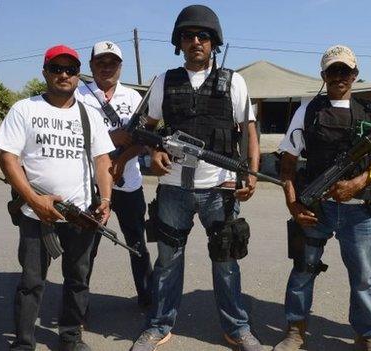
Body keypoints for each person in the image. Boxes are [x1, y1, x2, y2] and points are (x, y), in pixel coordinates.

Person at [129, 4, 263, 351]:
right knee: (167, 263)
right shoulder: (164, 80)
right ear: (179, 42)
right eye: (188, 36)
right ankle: (158, 326)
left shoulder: (234, 81)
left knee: (226, 261)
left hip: (219, 187)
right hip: (173, 187)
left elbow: (249, 129)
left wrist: (251, 173)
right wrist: (153, 153)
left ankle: (238, 328)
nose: (196, 41)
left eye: (203, 36)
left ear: (214, 42)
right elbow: (146, 129)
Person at [274, 45, 371, 351]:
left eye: (345, 71)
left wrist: (360, 182)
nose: (339, 76)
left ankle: (366, 334)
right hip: (316, 209)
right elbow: (288, 164)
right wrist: (293, 204)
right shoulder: (307, 111)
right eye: (333, 71)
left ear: (355, 75)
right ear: (324, 75)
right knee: (303, 270)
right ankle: (295, 330)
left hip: (359, 210)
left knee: (363, 277)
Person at [0, 45, 115, 351]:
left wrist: (106, 199)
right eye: (56, 69)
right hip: (36, 215)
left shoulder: (89, 116)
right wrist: (34, 201)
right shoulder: (25, 109)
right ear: (45, 72)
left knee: (77, 279)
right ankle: (23, 343)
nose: (64, 75)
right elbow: (8, 160)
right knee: (31, 282)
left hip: (79, 214)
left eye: (70, 70)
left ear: (77, 75)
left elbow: (102, 161)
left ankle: (71, 337)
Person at [76, 41, 153, 308]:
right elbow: (74, 139)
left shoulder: (133, 98)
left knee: (137, 245)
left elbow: (143, 139)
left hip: (129, 185)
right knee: (87, 249)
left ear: (120, 67)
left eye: (113, 63)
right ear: (91, 66)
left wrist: (121, 159)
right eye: (101, 62)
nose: (107, 67)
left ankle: (147, 299)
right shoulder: (78, 97)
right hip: (91, 187)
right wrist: (111, 138)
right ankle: (79, 308)